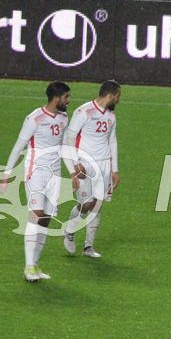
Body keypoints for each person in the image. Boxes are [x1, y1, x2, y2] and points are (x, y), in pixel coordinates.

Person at [0, 82, 71, 282]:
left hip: (54, 175)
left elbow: (64, 146)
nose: (69, 100)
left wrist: (73, 172)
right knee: (35, 216)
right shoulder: (34, 119)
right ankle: (29, 268)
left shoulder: (64, 117)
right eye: (66, 96)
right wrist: (6, 174)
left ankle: (35, 266)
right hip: (35, 173)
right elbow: (18, 146)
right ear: (56, 98)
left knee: (46, 220)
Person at [62, 80, 121, 259]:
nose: (119, 100)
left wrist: (114, 169)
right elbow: (70, 138)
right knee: (86, 204)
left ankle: (88, 247)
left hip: (104, 165)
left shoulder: (111, 116)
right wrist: (75, 164)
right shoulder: (84, 111)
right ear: (110, 96)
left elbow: (112, 141)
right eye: (118, 97)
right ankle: (69, 231)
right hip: (85, 165)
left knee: (97, 205)